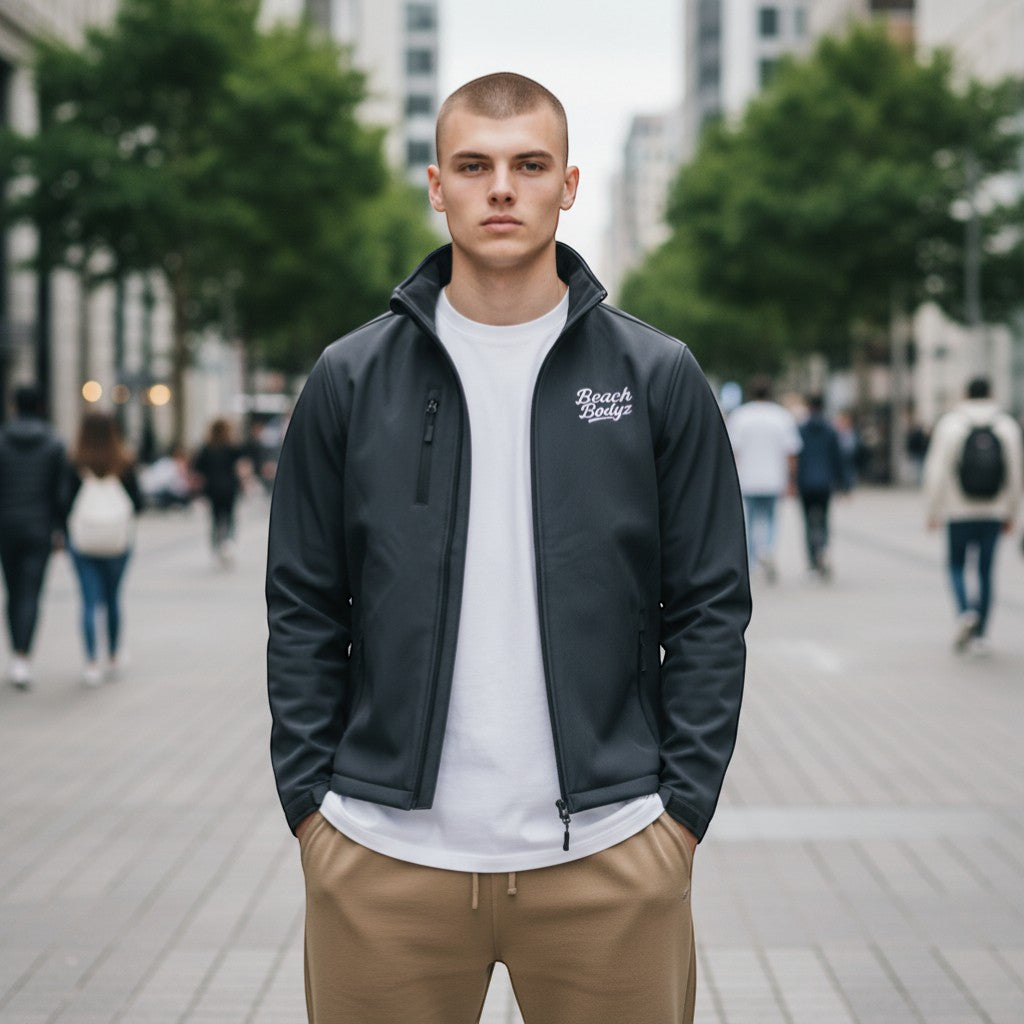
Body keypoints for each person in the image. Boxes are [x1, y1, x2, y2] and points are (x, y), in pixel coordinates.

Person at [266, 72, 751, 1024]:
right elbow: (304, 604)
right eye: (473, 166)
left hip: (611, 855)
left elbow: (708, 604)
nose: (501, 189)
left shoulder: (655, 374)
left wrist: (679, 817)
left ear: (567, 186)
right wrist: (314, 813)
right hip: (382, 860)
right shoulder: (350, 378)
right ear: (436, 186)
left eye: (529, 166)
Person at [923, 377, 1023, 655]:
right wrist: (1012, 512)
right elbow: (1016, 473)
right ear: (991, 393)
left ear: (965, 394)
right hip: (993, 510)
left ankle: (965, 611)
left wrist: (932, 510)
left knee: (956, 565)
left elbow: (936, 471)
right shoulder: (1006, 426)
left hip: (958, 511)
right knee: (985, 571)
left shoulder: (950, 424)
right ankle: (981, 634)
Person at [63, 411, 144, 686]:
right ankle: (113, 655)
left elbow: (63, 502)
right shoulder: (124, 462)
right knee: (112, 599)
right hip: (117, 541)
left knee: (89, 601)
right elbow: (138, 502)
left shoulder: (75, 462)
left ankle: (91, 662)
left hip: (83, 541)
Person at [0, 385, 68, 690]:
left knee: (12, 591)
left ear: (14, 406)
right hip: (39, 529)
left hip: (6, 527)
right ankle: (22, 657)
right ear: (40, 406)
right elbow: (61, 493)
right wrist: (60, 529)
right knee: (30, 593)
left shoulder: (2, 440)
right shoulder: (53, 443)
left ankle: (16, 654)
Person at [727, 376, 802, 583]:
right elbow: (791, 452)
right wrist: (792, 480)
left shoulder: (740, 416)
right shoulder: (781, 416)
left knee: (749, 521)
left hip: (748, 478)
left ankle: (752, 562)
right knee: (771, 519)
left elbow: (733, 451)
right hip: (774, 478)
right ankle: (767, 551)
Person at [796, 394, 852, 579]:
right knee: (824, 520)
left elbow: (795, 456)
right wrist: (845, 484)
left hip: (805, 482)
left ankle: (813, 560)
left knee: (807, 522)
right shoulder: (831, 430)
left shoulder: (801, 429)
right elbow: (839, 459)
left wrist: (792, 481)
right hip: (825, 482)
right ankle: (824, 549)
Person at [192, 418, 245, 565]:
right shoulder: (232, 447)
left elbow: (198, 469)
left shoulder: (207, 448)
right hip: (229, 487)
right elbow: (242, 465)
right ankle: (228, 544)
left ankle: (216, 546)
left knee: (215, 518)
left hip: (213, 489)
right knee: (229, 516)